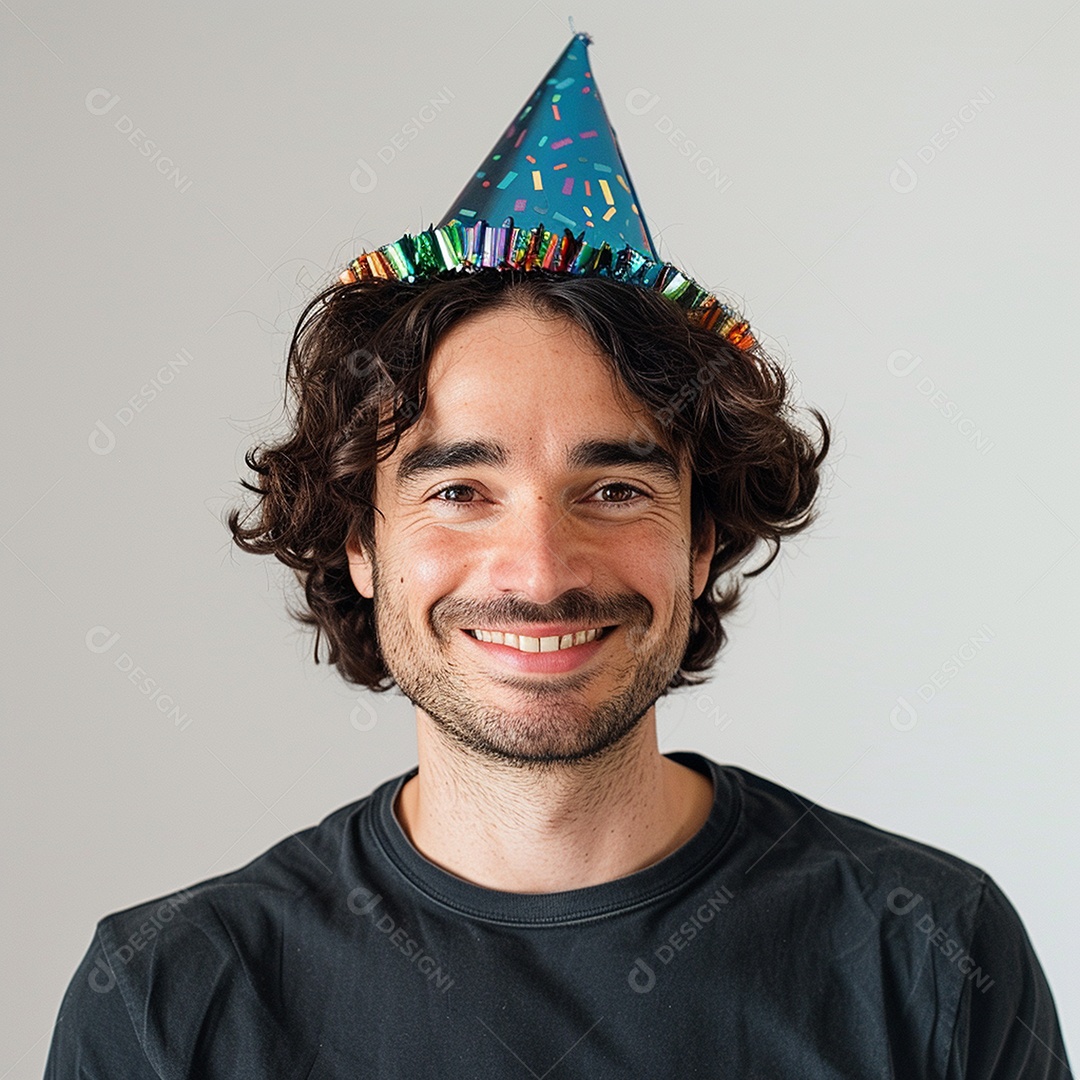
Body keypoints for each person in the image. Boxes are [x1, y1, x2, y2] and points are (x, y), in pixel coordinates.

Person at [45, 32, 1072, 1078]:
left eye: (614, 490)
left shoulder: (932, 957)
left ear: (701, 537)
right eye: (459, 491)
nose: (538, 572)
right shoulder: (166, 1000)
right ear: (361, 541)